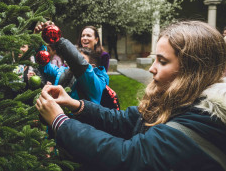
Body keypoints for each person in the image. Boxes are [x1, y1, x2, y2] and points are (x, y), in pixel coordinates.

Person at [36, 20, 226, 171]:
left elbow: (128, 156)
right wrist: (74, 104)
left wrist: (60, 121)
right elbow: (125, 120)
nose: (152, 68)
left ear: (192, 71)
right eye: (155, 60)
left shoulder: (202, 122)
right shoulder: (180, 102)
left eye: (163, 61)